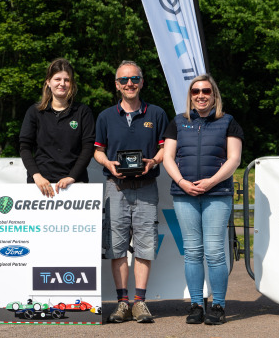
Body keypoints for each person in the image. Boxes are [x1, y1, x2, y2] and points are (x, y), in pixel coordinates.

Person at [162, 74, 243, 325]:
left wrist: (211, 182)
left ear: (214, 94)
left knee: (216, 252)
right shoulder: (178, 122)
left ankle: (218, 305)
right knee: (193, 252)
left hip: (217, 194)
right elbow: (167, 158)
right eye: (195, 91)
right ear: (190, 95)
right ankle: (197, 304)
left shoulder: (228, 122)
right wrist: (182, 182)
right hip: (184, 195)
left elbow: (234, 160)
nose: (200, 95)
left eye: (206, 91)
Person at [94, 60, 169, 323]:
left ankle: (140, 302)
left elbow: (165, 149)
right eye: (124, 80)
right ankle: (122, 303)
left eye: (134, 79)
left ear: (142, 82)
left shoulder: (156, 113)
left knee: (144, 247)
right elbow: (98, 151)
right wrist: (108, 164)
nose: (130, 84)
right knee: (116, 248)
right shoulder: (105, 116)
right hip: (115, 188)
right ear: (116, 85)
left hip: (146, 189)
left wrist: (154, 162)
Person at [19, 58, 95, 196]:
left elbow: (88, 148)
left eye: (67, 80)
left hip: (75, 185)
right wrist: (36, 176)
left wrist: (72, 177)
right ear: (48, 82)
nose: (62, 84)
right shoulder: (35, 112)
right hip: (41, 186)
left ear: (72, 83)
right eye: (57, 79)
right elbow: (25, 147)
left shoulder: (83, 112)